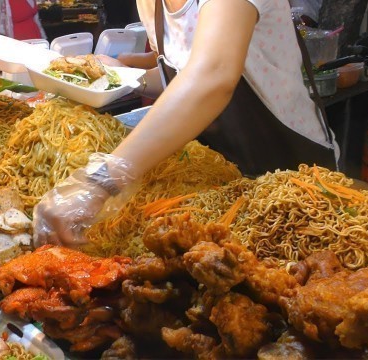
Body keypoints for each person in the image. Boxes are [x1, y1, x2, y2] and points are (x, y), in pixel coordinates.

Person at [33, 0, 340, 246]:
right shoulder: (150, 4)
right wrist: (129, 77)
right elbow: (182, 76)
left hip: (297, 181)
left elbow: (213, 75)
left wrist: (99, 181)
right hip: (222, 184)